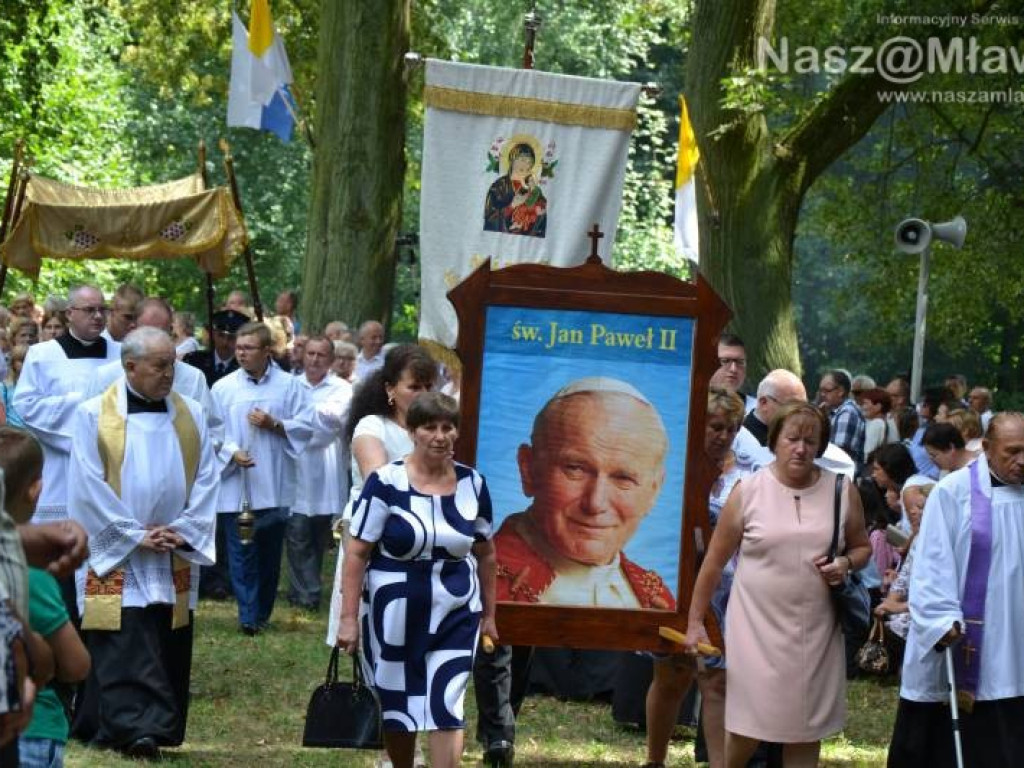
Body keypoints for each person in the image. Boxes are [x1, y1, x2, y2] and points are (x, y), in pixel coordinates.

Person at [685, 402, 870, 768]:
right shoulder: (748, 491)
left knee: (806, 727)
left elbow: (862, 546)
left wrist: (845, 563)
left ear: (821, 445)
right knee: (747, 726)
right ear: (775, 441)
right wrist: (694, 622)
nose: (800, 448)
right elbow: (713, 563)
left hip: (816, 629)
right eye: (792, 438)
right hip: (755, 628)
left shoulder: (841, 490)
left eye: (810, 440)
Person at [67, 327, 218, 758]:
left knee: (160, 630)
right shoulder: (92, 414)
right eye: (160, 365)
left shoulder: (191, 413)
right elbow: (86, 485)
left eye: (172, 363)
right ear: (129, 366)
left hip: (171, 544)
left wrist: (184, 528)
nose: (170, 372)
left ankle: (103, 722)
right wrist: (134, 535)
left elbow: (207, 478)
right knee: (122, 634)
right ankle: (139, 730)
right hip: (118, 546)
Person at [337, 392, 497, 768]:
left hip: (457, 607)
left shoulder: (474, 484)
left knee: (447, 702)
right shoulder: (385, 481)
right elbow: (357, 552)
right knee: (398, 703)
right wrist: (347, 618)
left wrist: (490, 614)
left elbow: (487, 553)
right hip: (394, 609)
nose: (440, 436)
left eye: (448, 427)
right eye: (430, 427)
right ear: (412, 431)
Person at [887, 412, 1024, 767]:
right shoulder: (954, 492)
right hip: (967, 637)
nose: (1022, 461)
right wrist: (940, 617)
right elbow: (932, 562)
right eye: (1013, 451)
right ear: (988, 449)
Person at [493, 377, 673, 608]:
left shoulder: (656, 599)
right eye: (575, 469)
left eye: (623, 478)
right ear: (529, 470)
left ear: (654, 491)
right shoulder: (478, 580)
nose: (595, 503)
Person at [643, 388, 750, 768]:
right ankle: (655, 760)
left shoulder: (744, 478)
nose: (723, 435)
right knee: (672, 675)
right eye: (716, 427)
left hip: (724, 589)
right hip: (678, 583)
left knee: (716, 681)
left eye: (732, 429)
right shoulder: (675, 469)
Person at [211, 321, 313, 635]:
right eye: (239, 348)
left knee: (268, 555)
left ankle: (262, 611)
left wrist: (275, 424)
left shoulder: (290, 386)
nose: (241, 353)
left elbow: (306, 426)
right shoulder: (223, 388)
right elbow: (211, 431)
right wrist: (230, 452)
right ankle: (248, 616)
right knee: (241, 552)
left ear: (267, 351)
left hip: (275, 483)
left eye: (249, 348)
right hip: (236, 484)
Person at [15, 286, 121, 530]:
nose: (97, 316)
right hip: (59, 466)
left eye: (101, 310)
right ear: (70, 313)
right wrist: (86, 404)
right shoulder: (42, 354)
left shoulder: (120, 354)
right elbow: (26, 405)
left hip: (108, 465)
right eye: (89, 310)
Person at [287, 337, 352, 611]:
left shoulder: (342, 389)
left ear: (331, 359)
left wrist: (294, 423)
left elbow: (333, 423)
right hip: (295, 465)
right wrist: (299, 424)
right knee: (297, 530)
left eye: (321, 355)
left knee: (319, 533)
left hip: (325, 468)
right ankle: (306, 592)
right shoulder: (290, 385)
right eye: (310, 353)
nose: (314, 359)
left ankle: (306, 586)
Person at [483, 142, 547, 238]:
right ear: (512, 160)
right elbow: (489, 219)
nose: (526, 165)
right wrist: (512, 206)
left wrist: (540, 213)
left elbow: (542, 217)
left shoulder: (534, 188)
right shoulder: (499, 186)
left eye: (529, 162)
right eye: (522, 160)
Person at [182, 308, 250, 387]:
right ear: (214, 334)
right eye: (221, 336)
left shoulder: (244, 367)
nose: (225, 342)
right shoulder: (194, 360)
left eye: (231, 338)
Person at [818, 370, 866, 468]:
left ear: (841, 391)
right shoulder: (833, 412)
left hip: (841, 475)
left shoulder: (847, 413)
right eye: (821, 390)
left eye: (827, 390)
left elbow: (838, 452)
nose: (822, 394)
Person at [709, 333, 756, 411]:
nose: (733, 369)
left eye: (740, 362)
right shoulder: (689, 406)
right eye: (725, 361)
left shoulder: (757, 411)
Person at [859, 387, 897, 457]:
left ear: (878, 407)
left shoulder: (876, 424)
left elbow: (868, 453)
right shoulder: (889, 421)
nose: (863, 407)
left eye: (865, 403)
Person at [0, 346, 28, 428]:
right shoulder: (5, 386)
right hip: (14, 431)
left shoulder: (39, 384)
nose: (26, 363)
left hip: (34, 433)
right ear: (13, 363)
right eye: (21, 361)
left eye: (28, 360)